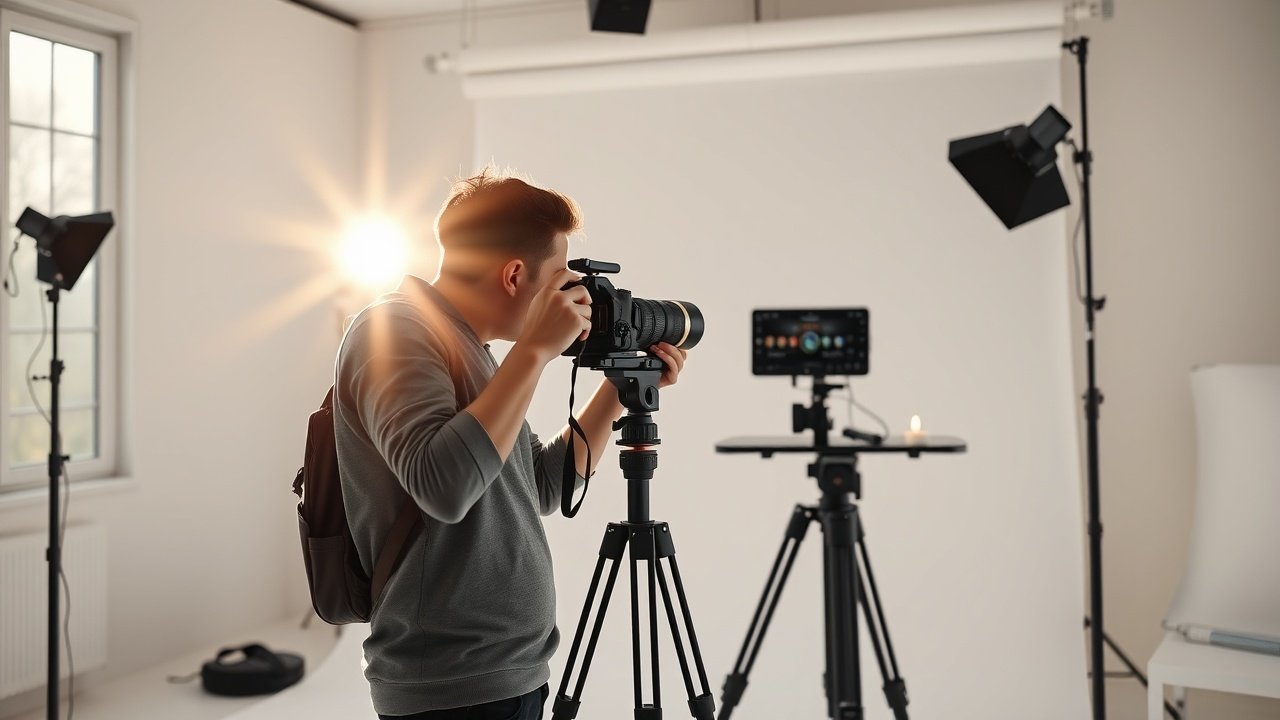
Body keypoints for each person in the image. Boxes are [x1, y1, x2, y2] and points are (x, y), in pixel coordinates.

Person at [333, 169, 689, 720]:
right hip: (452, 688)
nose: (571, 296)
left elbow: (540, 487)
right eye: (559, 278)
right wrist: (536, 352)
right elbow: (443, 486)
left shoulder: (473, 350)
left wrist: (616, 393)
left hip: (511, 675)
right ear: (515, 274)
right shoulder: (393, 330)